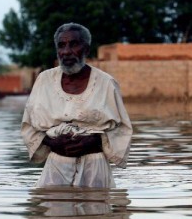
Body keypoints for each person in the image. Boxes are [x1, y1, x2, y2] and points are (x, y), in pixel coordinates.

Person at [21, 23, 132, 188]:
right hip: (56, 165)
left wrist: (97, 141)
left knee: (97, 211)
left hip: (95, 167)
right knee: (53, 210)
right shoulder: (44, 80)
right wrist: (52, 143)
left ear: (86, 49)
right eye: (61, 45)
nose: (66, 52)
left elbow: (123, 129)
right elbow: (28, 126)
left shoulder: (106, 83)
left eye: (74, 44)